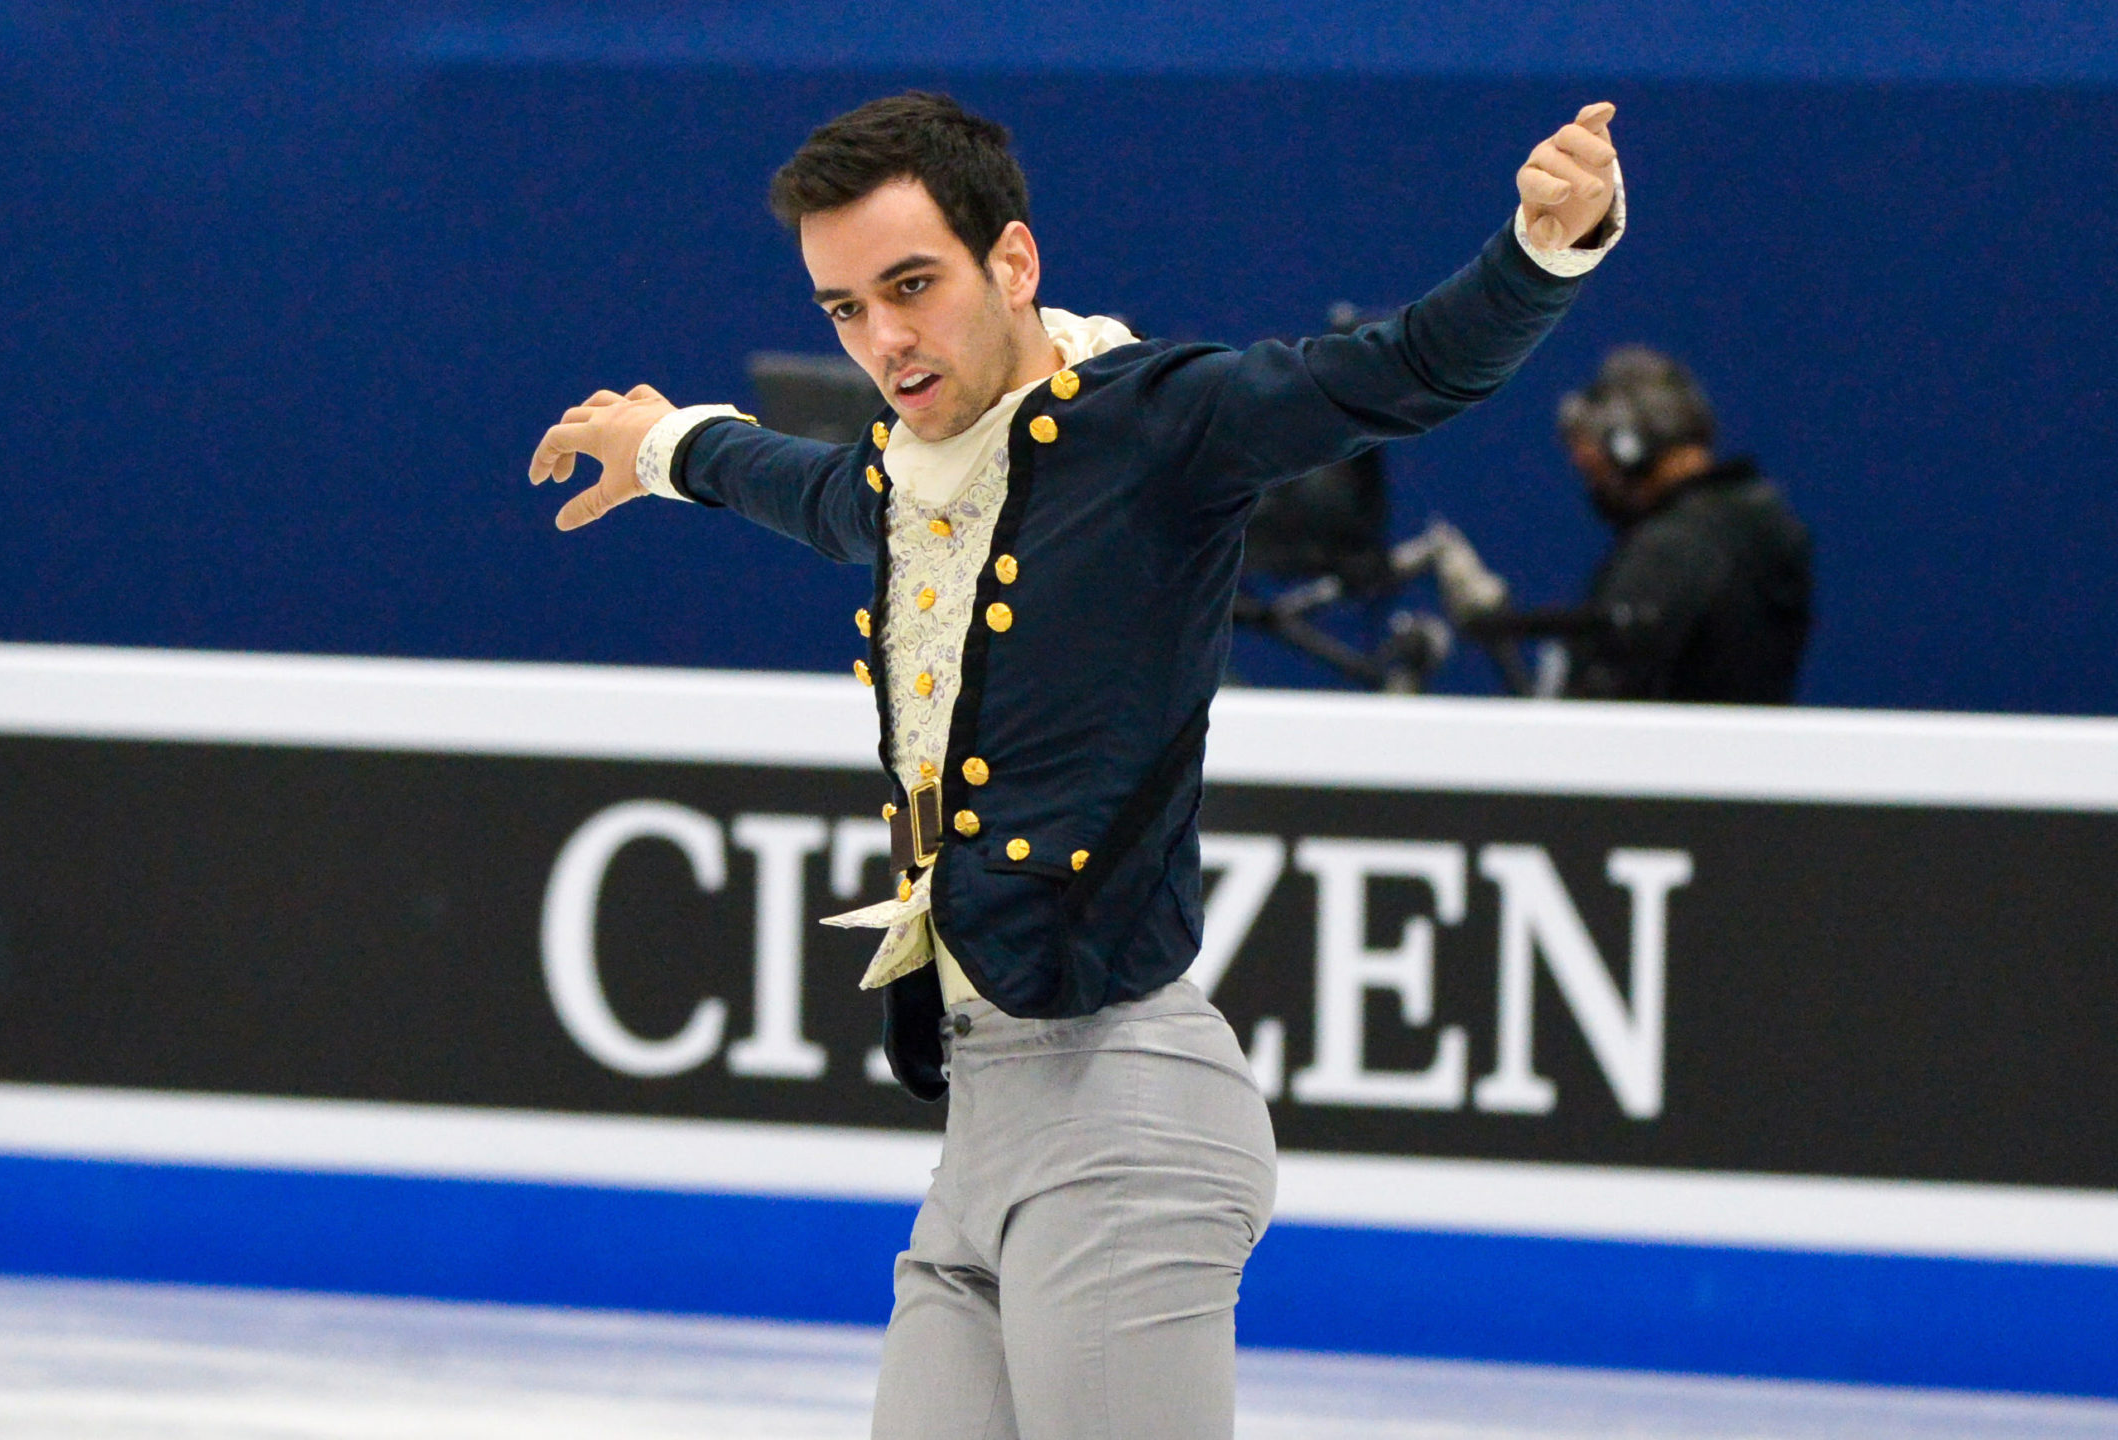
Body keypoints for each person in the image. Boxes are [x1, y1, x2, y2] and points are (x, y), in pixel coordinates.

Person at [526, 91, 1626, 1440]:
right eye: (845, 310)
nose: (883, 340)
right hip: (981, 1133)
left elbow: (1399, 371)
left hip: (1127, 1128)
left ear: (1016, 263)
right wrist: (668, 447)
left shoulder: (1153, 426)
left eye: (912, 286)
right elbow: (819, 493)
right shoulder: (919, 479)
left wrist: (1542, 252)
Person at [1552, 346, 1813, 701]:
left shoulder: (1671, 548)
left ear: (1627, 448)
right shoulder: (1766, 522)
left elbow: (1602, 698)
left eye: (1595, 471)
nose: (1596, 487)